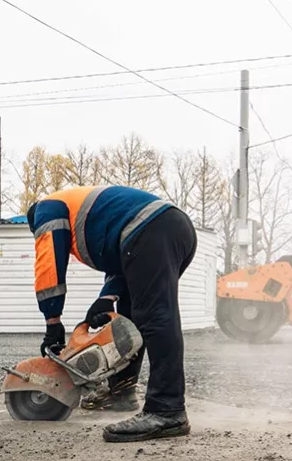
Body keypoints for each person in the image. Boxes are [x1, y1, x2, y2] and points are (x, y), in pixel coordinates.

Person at [26, 185, 197, 443]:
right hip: (162, 228)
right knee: (132, 317)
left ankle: (167, 409)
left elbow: (49, 267)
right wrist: (106, 298)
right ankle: (121, 392)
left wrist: (53, 323)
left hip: (152, 228)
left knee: (156, 316)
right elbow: (121, 261)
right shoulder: (95, 214)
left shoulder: (46, 208)